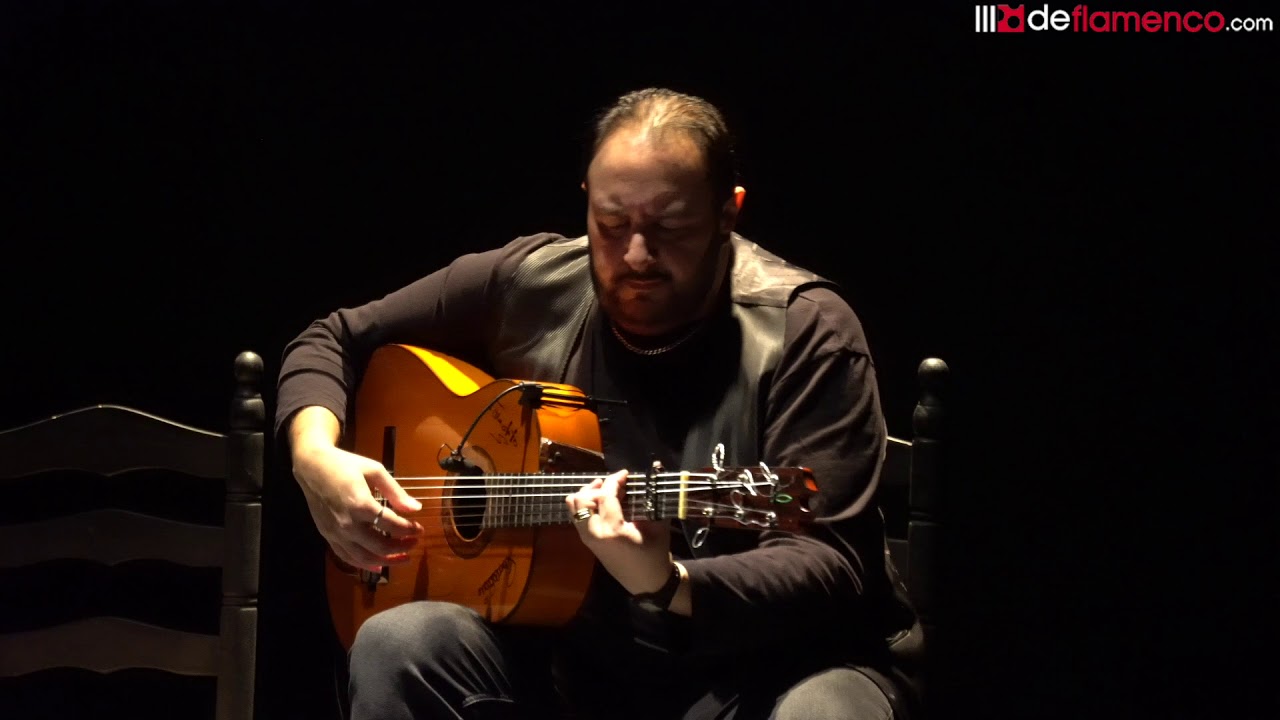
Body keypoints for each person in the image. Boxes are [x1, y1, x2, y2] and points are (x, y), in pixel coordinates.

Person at [276, 87, 924, 720]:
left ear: (728, 211)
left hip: (770, 672)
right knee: (399, 644)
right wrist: (314, 456)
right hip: (577, 671)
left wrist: (668, 584)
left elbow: (827, 561)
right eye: (612, 225)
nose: (637, 254)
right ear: (587, 200)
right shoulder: (531, 283)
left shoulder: (805, 328)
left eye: (669, 226)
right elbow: (334, 337)